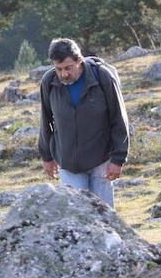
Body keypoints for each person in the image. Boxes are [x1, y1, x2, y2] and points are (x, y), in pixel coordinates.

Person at [38, 38, 130, 208]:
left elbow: (119, 118)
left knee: (104, 219)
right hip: (68, 164)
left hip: (101, 161)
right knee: (76, 217)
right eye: (59, 69)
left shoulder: (102, 77)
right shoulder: (49, 82)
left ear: (79, 61)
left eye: (68, 68)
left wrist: (118, 159)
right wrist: (46, 156)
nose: (64, 74)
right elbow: (45, 120)